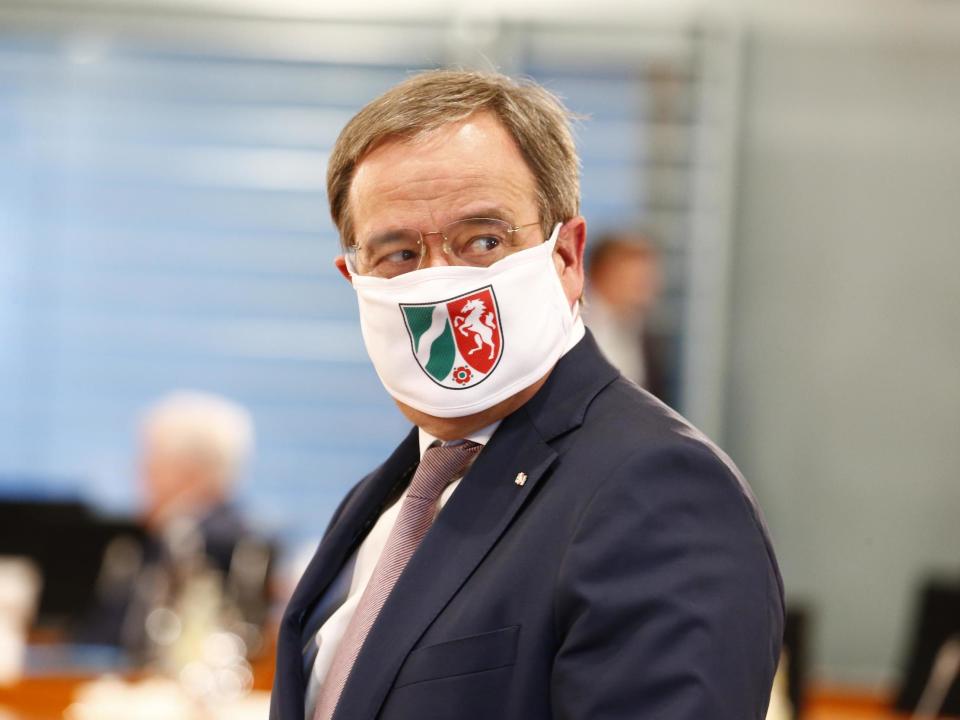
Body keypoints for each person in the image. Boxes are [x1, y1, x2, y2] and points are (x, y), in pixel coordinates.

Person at [272, 70, 784, 720]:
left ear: (567, 257)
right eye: (399, 254)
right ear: (354, 277)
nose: (441, 282)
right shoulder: (386, 500)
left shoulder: (657, 491)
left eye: (483, 240)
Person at [78, 391, 270, 654]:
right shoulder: (156, 538)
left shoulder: (200, 539)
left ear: (190, 471)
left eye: (151, 460)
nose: (139, 471)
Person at [584, 232, 668, 398]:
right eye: (638, 279)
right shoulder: (576, 324)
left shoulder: (642, 333)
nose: (650, 286)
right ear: (604, 272)